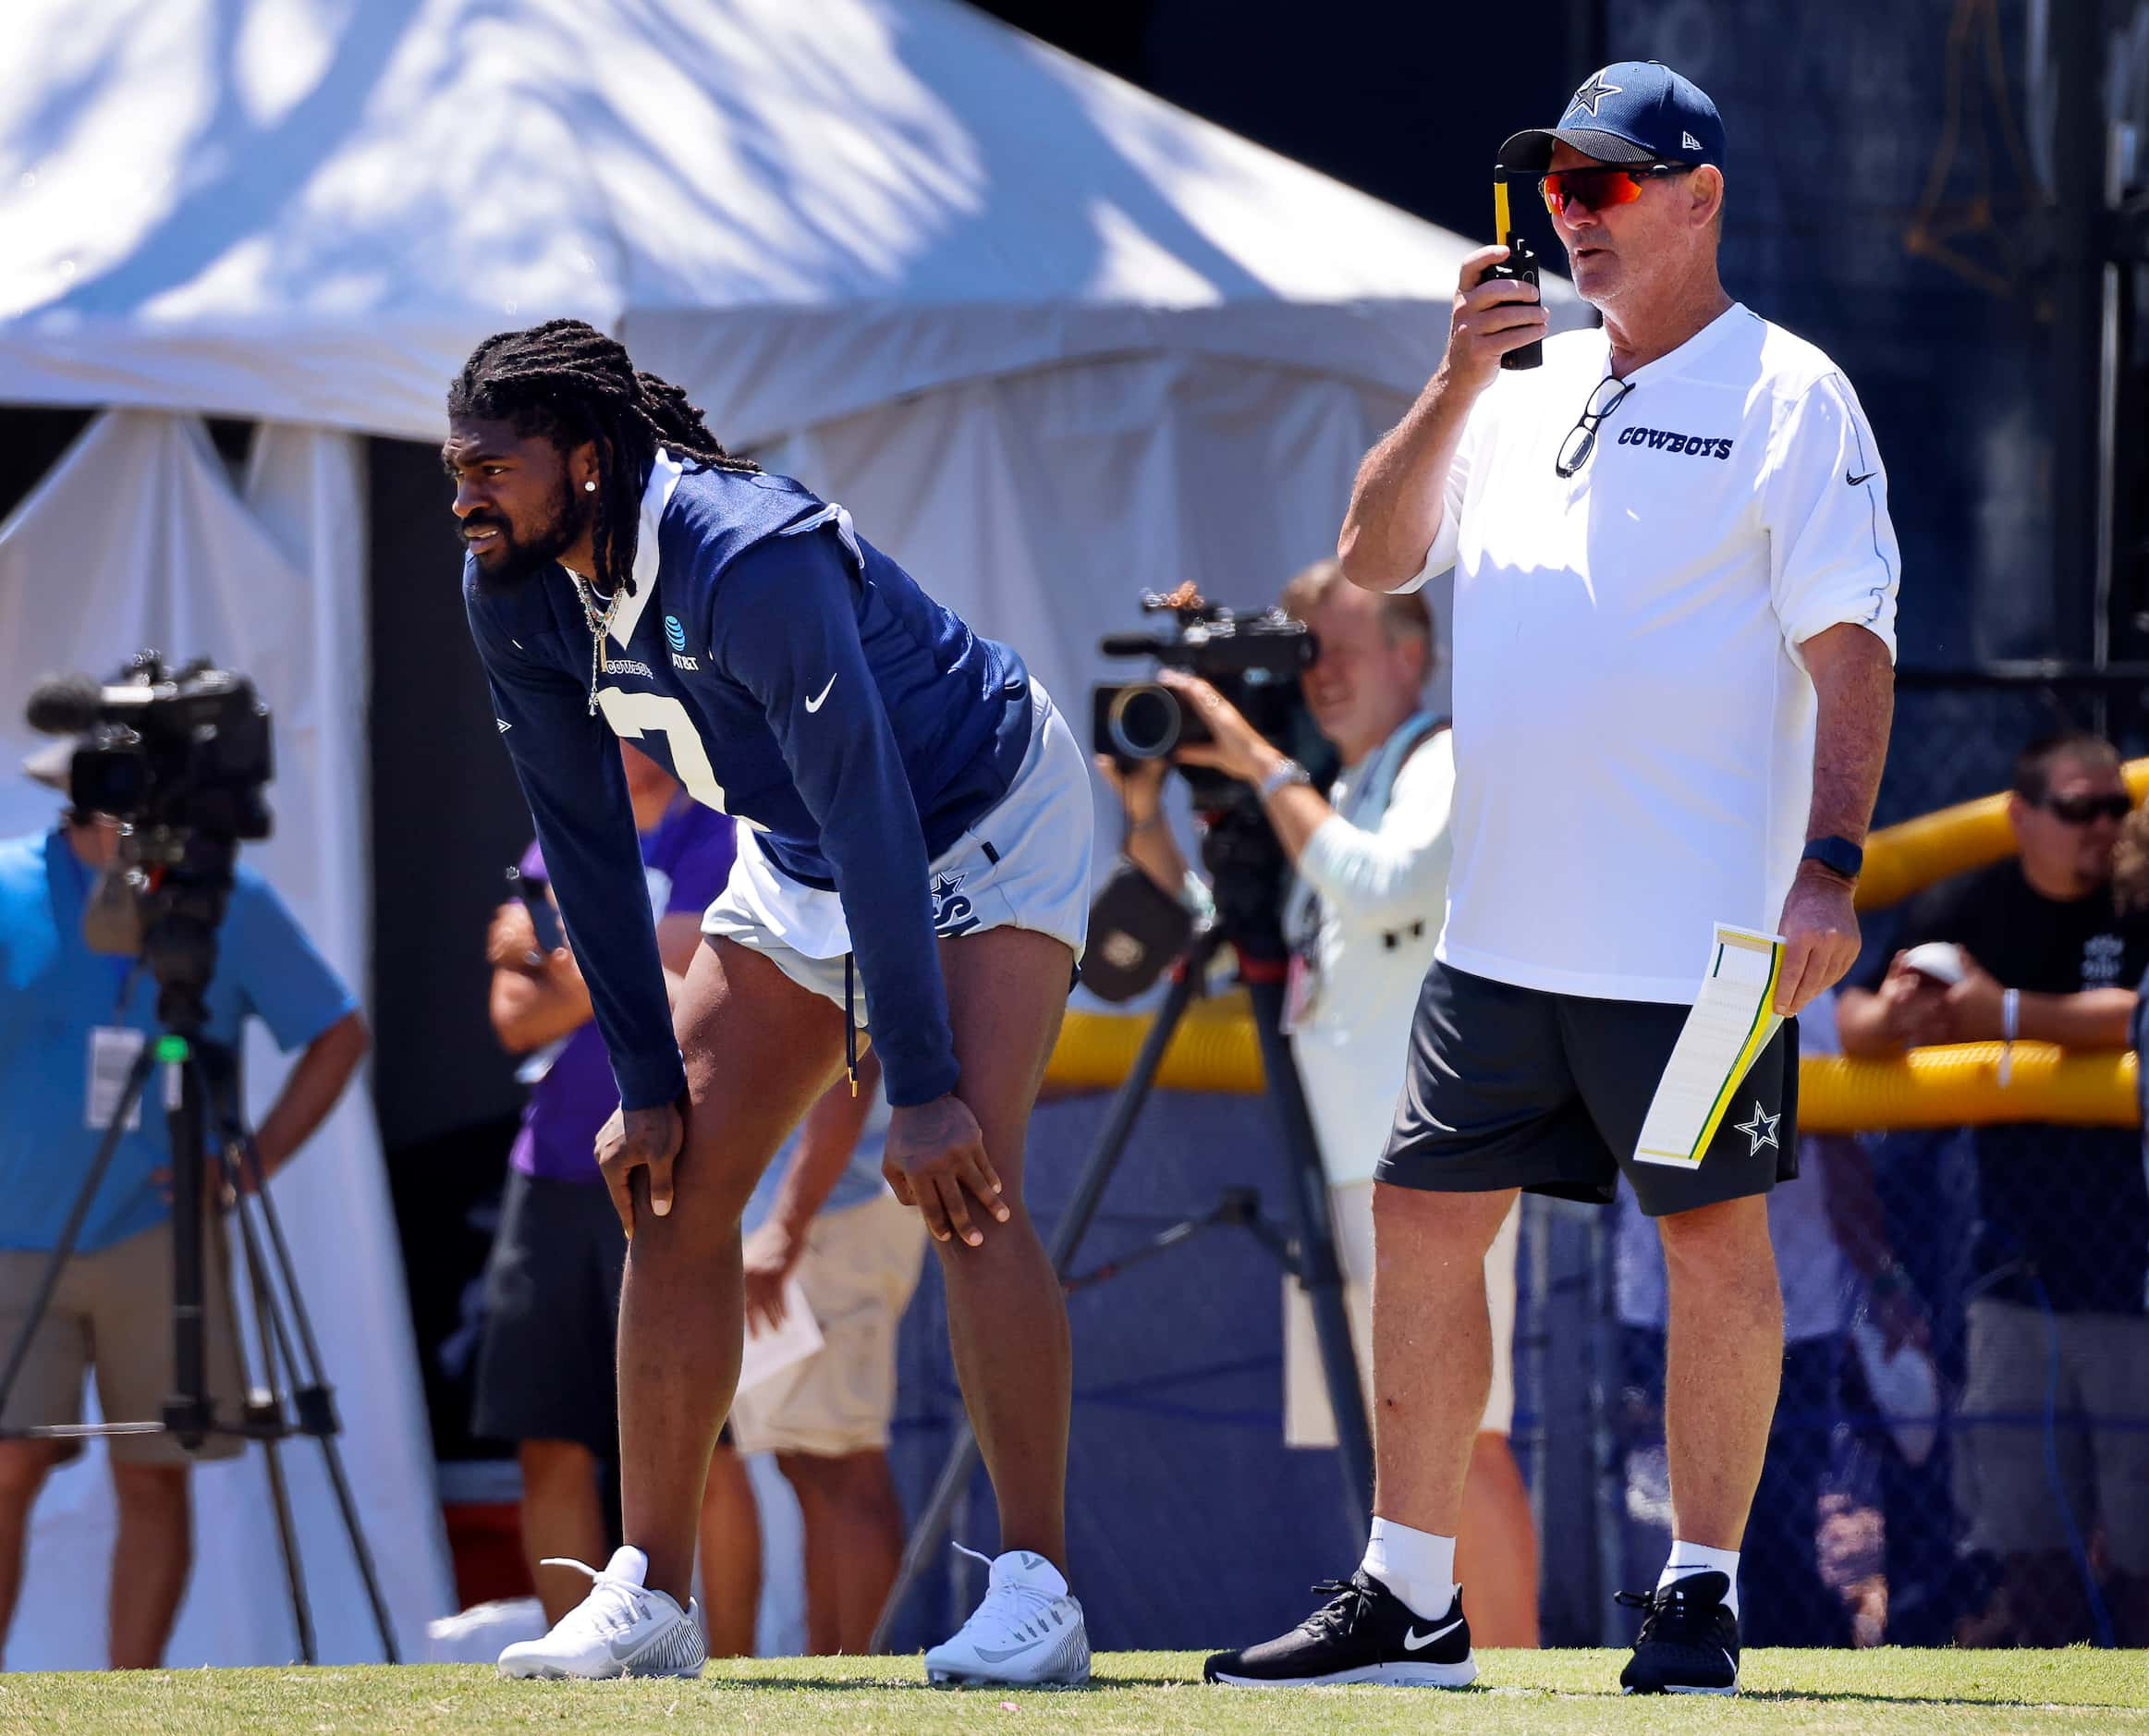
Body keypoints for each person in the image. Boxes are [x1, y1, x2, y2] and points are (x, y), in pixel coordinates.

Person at [1205, 62, 1899, 1696]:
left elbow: (1854, 653)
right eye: (1557, 188)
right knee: (1423, 1224)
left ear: (1700, 196)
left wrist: (1830, 866)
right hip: (1499, 937)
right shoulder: (1512, 391)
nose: (1570, 215)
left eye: (1608, 184)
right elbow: (1373, 556)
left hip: (1713, 940)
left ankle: (1701, 1591)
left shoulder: (1793, 392)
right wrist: (1451, 382)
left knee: (1713, 1246)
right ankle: (1410, 1596)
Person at [447, 321, 1093, 1686]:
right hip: (802, 852)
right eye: (456, 469)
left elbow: (873, 813)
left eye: (489, 468)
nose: (463, 498)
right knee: (669, 1182)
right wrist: (640, 1085)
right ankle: (655, 1599)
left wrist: (916, 1090)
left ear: (585, 458)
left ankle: (1039, 1587)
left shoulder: (748, 551)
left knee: (965, 1174)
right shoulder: (508, 588)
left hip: (977, 819)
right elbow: (582, 844)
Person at [1098, 559, 1539, 1647]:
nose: (1322, 673)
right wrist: (1147, 812)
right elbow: (1209, 926)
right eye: (1308, 650)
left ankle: (1532, 1681)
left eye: (1340, 645)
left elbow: (1386, 883)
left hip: (1434, 1159)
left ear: (1412, 652)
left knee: (1464, 1439)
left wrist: (1256, 758)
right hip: (1350, 1161)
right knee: (1400, 1447)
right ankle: (1430, 1649)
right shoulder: (1331, 789)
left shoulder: (1440, 755)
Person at [0, 743, 368, 1669]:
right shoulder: (8, 884)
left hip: (160, 1236)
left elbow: (336, 1031)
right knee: (7, 1468)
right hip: (13, 1235)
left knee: (157, 1475)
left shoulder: (222, 899)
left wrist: (248, 1166)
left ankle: (129, 1705)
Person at [1838, 731, 2149, 1645]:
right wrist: (1894, 1018)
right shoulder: (1967, 899)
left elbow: (2137, 1017)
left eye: (2117, 807)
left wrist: (1998, 1013)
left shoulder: (2137, 899)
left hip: (2133, 1274)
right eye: (2080, 807)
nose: (2104, 826)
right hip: (2011, 1266)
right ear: (2020, 816)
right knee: (2025, 1532)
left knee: (2141, 1542)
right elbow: (1851, 1019)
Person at [475, 739, 735, 1632]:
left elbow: (687, 995)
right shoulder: (562, 835)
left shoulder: (723, 832)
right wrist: (611, 954)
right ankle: (578, 1663)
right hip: (550, 1165)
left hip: (673, 1161)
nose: (620, 731)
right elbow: (514, 1017)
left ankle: (731, 1663)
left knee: (709, 1442)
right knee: (547, 1435)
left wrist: (559, 941)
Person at [700, 1048, 925, 1656]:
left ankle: (861, 1685)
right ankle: (836, 1676)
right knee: (806, 1461)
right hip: (811, 1212)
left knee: (843, 1463)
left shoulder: (836, 948)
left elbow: (855, 1062)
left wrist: (785, 1227)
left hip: (828, 1214)